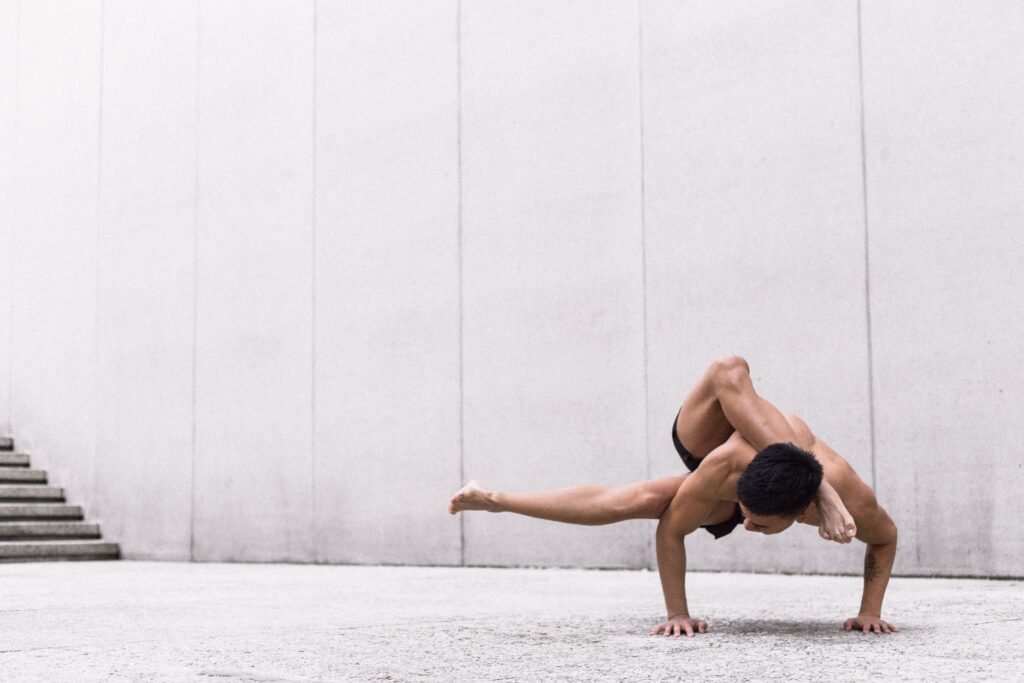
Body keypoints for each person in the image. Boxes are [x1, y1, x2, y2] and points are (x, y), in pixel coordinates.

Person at [448, 356, 898, 636]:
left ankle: (495, 499)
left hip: (787, 474)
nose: (745, 525)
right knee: (726, 371)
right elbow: (672, 530)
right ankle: (498, 499)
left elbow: (886, 536)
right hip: (709, 441)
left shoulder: (854, 499)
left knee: (638, 497)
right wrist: (677, 612)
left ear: (800, 513)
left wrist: (869, 611)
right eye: (746, 513)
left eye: (760, 525)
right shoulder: (722, 471)